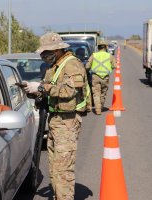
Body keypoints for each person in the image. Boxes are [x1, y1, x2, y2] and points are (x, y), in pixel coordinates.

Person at [23, 32, 89, 200]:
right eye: (43, 53)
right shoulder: (54, 68)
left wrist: (41, 87)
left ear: (58, 49)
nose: (45, 56)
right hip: (56, 120)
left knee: (63, 170)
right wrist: (34, 91)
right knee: (54, 167)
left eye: (48, 52)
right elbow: (48, 92)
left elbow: (68, 91)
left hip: (67, 121)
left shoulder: (72, 65)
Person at [86, 41, 116, 115]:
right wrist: (109, 70)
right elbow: (114, 66)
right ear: (105, 47)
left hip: (95, 77)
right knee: (103, 93)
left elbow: (87, 66)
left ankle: (98, 109)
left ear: (98, 47)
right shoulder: (109, 56)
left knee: (96, 93)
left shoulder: (94, 55)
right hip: (105, 77)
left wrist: (87, 71)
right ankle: (100, 107)